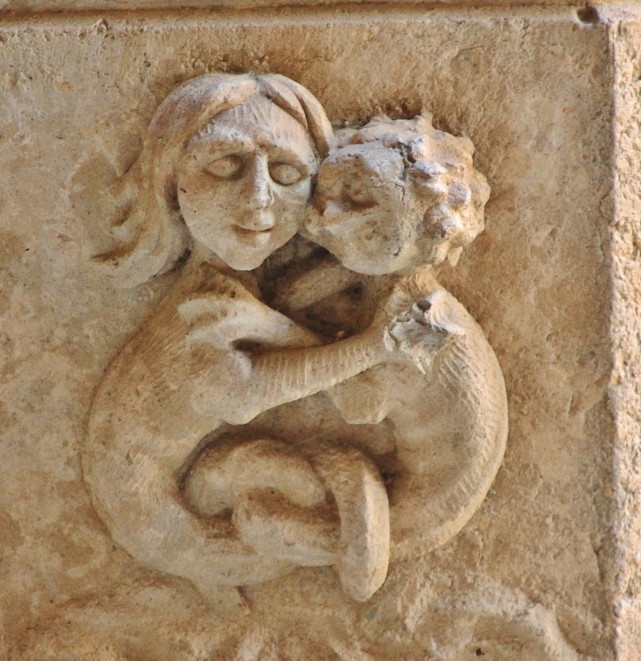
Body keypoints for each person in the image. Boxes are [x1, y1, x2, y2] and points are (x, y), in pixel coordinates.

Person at [84, 74, 442, 604]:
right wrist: (373, 347)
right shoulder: (200, 316)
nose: (257, 200)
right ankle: (359, 540)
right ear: (169, 183)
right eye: (224, 165)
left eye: (287, 172)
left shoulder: (236, 293)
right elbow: (246, 392)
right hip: (163, 521)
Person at [188, 115, 507, 564]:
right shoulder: (387, 279)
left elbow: (357, 400)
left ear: (417, 242)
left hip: (410, 507)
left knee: (260, 515)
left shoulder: (426, 325)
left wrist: (271, 328)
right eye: (347, 186)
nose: (326, 213)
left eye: (365, 212)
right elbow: (307, 288)